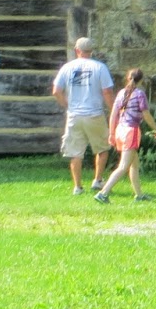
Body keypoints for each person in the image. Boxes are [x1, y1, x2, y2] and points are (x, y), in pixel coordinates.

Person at [51, 37, 114, 195]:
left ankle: (78, 187)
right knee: (102, 148)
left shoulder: (67, 67)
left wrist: (67, 105)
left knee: (75, 152)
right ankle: (97, 180)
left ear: (77, 50)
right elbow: (107, 92)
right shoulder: (100, 67)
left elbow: (56, 91)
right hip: (94, 114)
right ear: (91, 51)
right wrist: (114, 110)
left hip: (75, 114)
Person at [94, 68, 156, 204]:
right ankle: (103, 193)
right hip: (131, 131)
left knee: (134, 164)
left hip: (120, 130)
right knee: (123, 166)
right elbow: (146, 115)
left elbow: (113, 115)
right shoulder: (139, 94)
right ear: (141, 80)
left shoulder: (121, 93)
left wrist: (112, 133)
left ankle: (139, 195)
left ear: (128, 78)